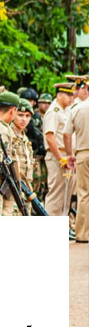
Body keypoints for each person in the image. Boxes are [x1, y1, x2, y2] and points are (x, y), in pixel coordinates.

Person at [43, 81, 75, 217]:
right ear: (60, 95)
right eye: (68, 95)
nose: (71, 98)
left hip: (65, 156)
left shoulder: (65, 111)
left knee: (65, 196)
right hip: (57, 156)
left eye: (72, 95)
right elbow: (50, 137)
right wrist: (60, 158)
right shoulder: (53, 112)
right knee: (56, 195)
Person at [63, 88, 89, 243]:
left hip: (83, 153)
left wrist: (69, 154)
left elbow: (67, 134)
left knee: (84, 194)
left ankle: (83, 234)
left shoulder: (78, 108)